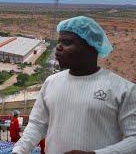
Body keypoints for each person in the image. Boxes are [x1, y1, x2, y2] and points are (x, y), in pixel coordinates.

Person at [12, 16, 136, 154]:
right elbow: (37, 125)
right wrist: (19, 151)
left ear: (92, 46)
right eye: (59, 42)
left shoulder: (124, 90)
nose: (58, 48)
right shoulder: (51, 82)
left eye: (67, 42)